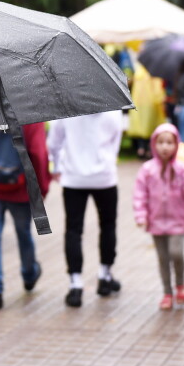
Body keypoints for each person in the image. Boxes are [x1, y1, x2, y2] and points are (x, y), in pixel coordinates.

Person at [0, 123, 50, 310]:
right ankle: (29, 275)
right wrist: (41, 187)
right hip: (20, 186)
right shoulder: (32, 116)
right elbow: (38, 153)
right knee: (24, 233)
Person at [47, 111, 123, 307]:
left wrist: (56, 166)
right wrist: (107, 161)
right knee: (108, 225)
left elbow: (54, 141)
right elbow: (116, 140)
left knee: (73, 230)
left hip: (73, 177)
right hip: (104, 177)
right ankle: (104, 276)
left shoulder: (65, 105)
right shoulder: (112, 106)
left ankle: (76, 284)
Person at [133, 123, 184, 310]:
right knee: (163, 258)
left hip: (177, 221)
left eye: (169, 143)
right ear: (154, 144)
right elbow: (140, 194)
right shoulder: (148, 170)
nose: (165, 147)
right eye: (160, 142)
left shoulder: (182, 170)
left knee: (177, 253)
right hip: (156, 222)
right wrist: (141, 215)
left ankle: (180, 285)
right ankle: (167, 293)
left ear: (176, 145)